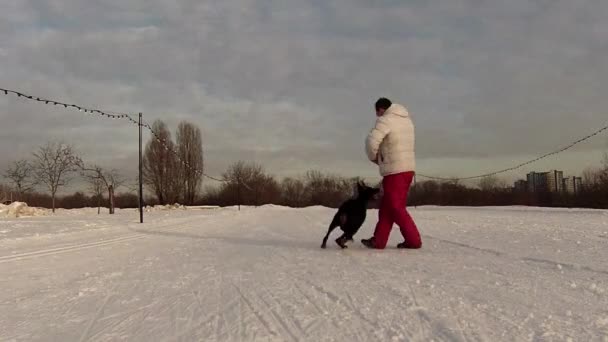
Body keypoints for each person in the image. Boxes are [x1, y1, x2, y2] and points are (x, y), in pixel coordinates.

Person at [361, 97, 422, 249]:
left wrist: (374, 158)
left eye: (377, 112)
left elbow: (371, 142)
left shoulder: (386, 120)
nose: (377, 116)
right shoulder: (407, 120)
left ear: (381, 109)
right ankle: (378, 241)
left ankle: (413, 241)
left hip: (394, 170)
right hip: (408, 168)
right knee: (387, 206)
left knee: (395, 206)